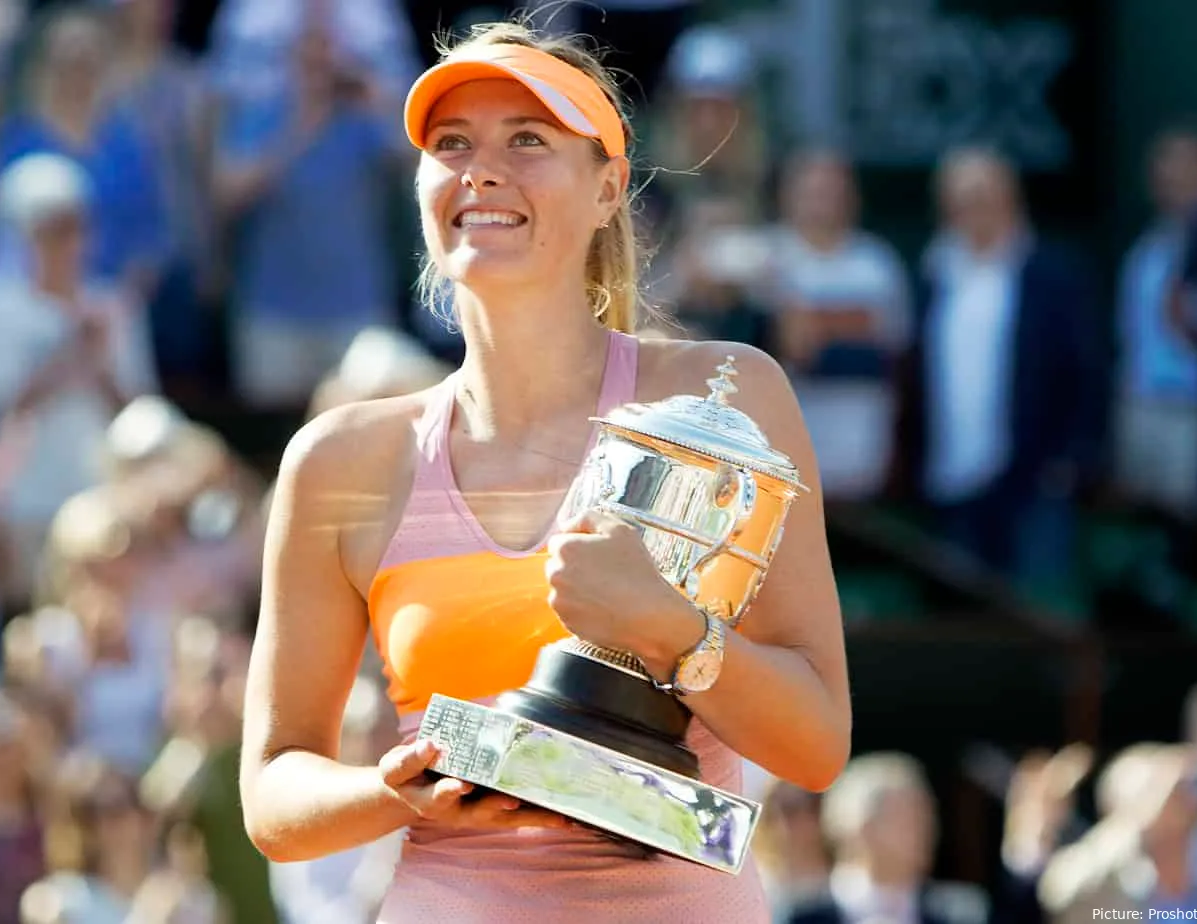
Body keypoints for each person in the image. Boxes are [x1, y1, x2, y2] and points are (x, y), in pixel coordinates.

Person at [239, 21, 851, 923]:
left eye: (528, 140)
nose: (483, 170)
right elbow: (275, 796)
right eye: (453, 145)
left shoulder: (728, 394)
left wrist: (671, 631)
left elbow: (817, 746)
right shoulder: (337, 460)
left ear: (608, 189)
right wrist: (394, 785)